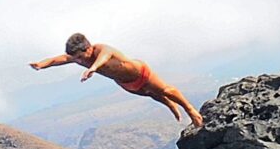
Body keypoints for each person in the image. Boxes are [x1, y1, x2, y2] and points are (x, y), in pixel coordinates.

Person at [31, 33, 204, 128]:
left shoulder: (102, 49)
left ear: (89, 48)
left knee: (165, 90)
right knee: (152, 94)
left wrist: (92, 68)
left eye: (80, 56)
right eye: (75, 58)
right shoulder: (78, 58)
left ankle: (190, 110)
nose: (79, 60)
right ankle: (170, 106)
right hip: (127, 83)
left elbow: (105, 57)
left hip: (140, 73)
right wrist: (41, 64)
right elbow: (57, 60)